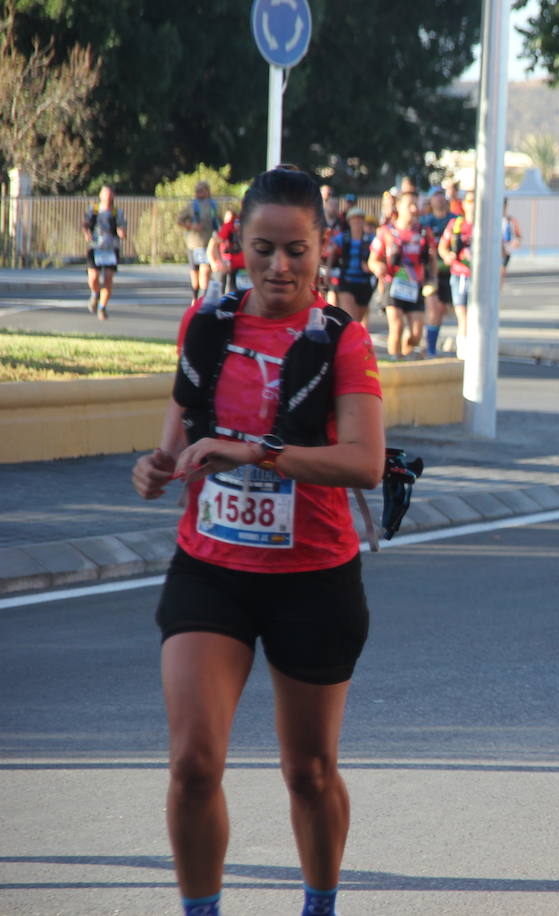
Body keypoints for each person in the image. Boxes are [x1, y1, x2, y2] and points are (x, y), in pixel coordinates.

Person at [130, 165, 385, 916]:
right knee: (192, 763)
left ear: (323, 247)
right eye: (263, 249)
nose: (280, 268)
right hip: (211, 569)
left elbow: (365, 464)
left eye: (297, 251)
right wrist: (156, 467)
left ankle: (320, 902)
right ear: (235, 244)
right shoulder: (206, 323)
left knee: (308, 771)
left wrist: (255, 453)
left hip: (314, 576)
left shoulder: (344, 340)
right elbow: (175, 445)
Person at [368, 190, 436, 360]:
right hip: (393, 285)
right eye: (409, 205)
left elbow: (432, 258)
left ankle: (405, 358)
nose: (413, 209)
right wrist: (379, 267)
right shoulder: (386, 232)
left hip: (415, 285)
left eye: (416, 205)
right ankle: (395, 361)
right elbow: (373, 260)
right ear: (399, 206)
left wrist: (433, 279)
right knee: (396, 326)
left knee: (416, 334)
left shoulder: (423, 232)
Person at [437, 189, 476, 358]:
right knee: (464, 315)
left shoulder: (487, 225)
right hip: (460, 275)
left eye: (475, 201)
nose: (473, 205)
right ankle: (463, 353)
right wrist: (448, 256)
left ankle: (476, 350)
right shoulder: (456, 224)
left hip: (479, 278)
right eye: (469, 201)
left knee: (478, 316)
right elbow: (442, 247)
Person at [420, 187, 456, 358]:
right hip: (431, 274)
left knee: (442, 309)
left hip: (452, 272)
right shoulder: (425, 222)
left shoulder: (455, 220)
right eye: (436, 196)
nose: (440, 199)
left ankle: (430, 344)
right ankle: (430, 348)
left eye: (442, 196)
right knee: (434, 308)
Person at [327, 206, 377, 323]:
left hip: (364, 282)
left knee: (357, 321)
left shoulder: (370, 239)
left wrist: (371, 265)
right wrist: (328, 269)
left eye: (360, 219)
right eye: (354, 219)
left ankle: (347, 337)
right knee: (351, 318)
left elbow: (377, 254)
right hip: (346, 280)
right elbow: (332, 253)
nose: (357, 223)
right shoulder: (343, 238)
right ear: (349, 221)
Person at [83, 184, 125, 320]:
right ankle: (95, 294)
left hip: (111, 249)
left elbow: (122, 227)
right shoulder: (93, 210)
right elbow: (85, 224)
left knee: (108, 278)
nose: (107, 197)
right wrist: (87, 233)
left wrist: (121, 232)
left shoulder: (117, 212)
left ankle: (102, 307)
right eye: (105, 194)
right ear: (100, 196)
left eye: (109, 194)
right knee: (93, 278)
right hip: (95, 248)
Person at [177, 181, 219, 300]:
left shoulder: (213, 205)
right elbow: (180, 220)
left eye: (201, 190)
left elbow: (218, 221)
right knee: (195, 273)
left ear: (207, 191)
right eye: (197, 190)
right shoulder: (191, 205)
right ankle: (195, 297)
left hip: (209, 242)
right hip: (194, 243)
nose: (198, 193)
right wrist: (191, 226)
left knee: (206, 270)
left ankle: (204, 298)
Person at [207, 207, 247, 294]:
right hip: (229, 263)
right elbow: (213, 243)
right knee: (222, 289)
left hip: (243, 266)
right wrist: (216, 261)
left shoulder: (252, 224)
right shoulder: (230, 226)